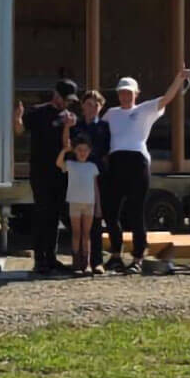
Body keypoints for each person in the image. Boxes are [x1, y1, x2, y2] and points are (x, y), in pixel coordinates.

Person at [102, 66, 190, 273]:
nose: (125, 96)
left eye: (129, 92)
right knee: (111, 212)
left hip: (137, 163)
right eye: (122, 92)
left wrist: (179, 79)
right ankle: (116, 255)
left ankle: (137, 258)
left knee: (135, 212)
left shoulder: (144, 110)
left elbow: (166, 99)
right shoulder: (111, 114)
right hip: (116, 163)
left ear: (136, 93)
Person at [14, 78, 78, 274]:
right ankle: (39, 260)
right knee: (42, 214)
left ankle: (51, 257)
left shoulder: (69, 116)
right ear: (56, 94)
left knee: (55, 216)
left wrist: (70, 126)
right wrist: (17, 118)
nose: (67, 103)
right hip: (40, 172)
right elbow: (20, 130)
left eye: (70, 100)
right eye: (65, 99)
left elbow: (71, 145)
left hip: (61, 172)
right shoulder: (39, 112)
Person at [74, 90, 111, 274]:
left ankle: (97, 261)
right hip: (77, 177)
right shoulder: (77, 126)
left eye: (96, 105)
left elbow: (104, 150)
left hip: (97, 176)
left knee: (96, 220)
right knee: (76, 223)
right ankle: (79, 261)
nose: (92, 108)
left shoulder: (104, 126)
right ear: (82, 106)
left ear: (101, 107)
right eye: (88, 104)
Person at [57, 128, 101, 275]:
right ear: (75, 151)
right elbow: (58, 164)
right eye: (79, 150)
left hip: (89, 203)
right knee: (76, 232)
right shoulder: (70, 164)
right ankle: (76, 262)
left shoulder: (92, 167)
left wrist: (98, 206)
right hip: (74, 202)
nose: (82, 152)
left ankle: (86, 263)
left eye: (85, 150)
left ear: (89, 151)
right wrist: (64, 150)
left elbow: (95, 187)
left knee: (86, 234)